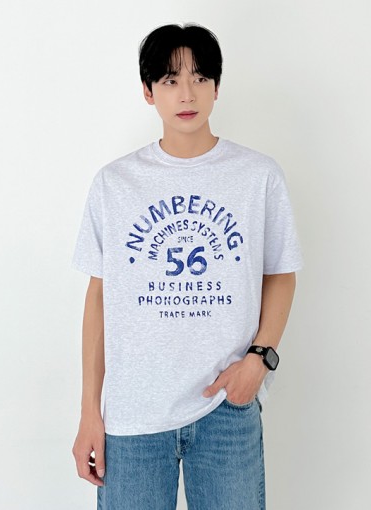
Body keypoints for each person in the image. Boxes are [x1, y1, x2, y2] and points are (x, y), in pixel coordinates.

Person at [71, 22, 303, 510]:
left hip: (225, 407)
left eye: (199, 78)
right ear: (148, 92)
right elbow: (99, 298)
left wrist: (259, 360)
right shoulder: (115, 183)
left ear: (217, 87)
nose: (187, 94)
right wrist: (90, 412)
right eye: (170, 80)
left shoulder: (257, 176)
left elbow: (281, 273)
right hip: (133, 416)